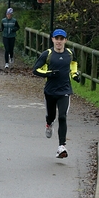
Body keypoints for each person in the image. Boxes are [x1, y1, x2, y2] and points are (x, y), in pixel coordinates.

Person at [32, 28, 80, 159]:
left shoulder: (70, 53)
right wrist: (49, 74)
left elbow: (74, 64)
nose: (59, 41)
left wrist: (75, 74)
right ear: (52, 39)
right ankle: (49, 124)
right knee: (51, 116)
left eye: (61, 39)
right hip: (50, 91)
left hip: (65, 90)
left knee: (63, 117)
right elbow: (35, 70)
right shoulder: (47, 54)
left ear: (65, 40)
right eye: (56, 38)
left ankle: (61, 146)